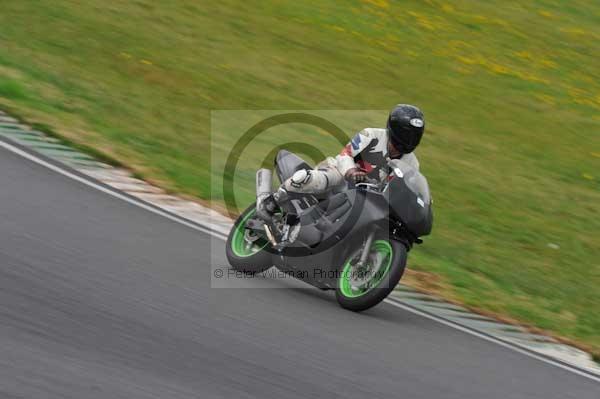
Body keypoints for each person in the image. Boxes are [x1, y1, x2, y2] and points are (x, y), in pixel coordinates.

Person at [257, 104, 425, 220]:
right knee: (313, 179)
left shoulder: (412, 164)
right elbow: (346, 154)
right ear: (392, 131)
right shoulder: (371, 135)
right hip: (340, 174)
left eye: (406, 144)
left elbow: (406, 189)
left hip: (369, 198)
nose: (398, 149)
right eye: (397, 142)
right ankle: (272, 202)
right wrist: (351, 172)